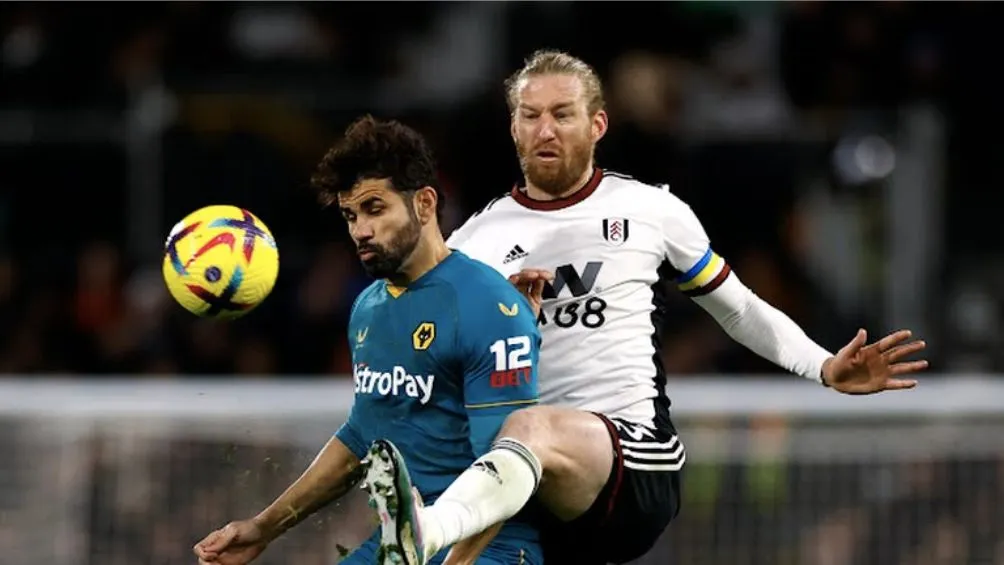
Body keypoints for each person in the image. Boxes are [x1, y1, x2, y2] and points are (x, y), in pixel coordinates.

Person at [365, 50, 930, 565]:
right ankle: (429, 541)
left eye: (562, 114)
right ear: (513, 127)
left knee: (525, 429)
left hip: (633, 461)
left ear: (597, 125)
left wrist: (823, 366)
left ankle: (426, 530)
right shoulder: (473, 244)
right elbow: (432, 371)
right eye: (530, 116)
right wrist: (504, 334)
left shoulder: (651, 210)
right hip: (533, 484)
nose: (545, 129)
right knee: (497, 451)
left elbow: (737, 309)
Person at [192, 116, 546, 565]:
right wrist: (263, 528)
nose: (360, 230)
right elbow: (361, 438)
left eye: (375, 209)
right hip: (404, 546)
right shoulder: (368, 308)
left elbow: (506, 473)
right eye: (350, 216)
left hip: (491, 546)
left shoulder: (488, 306)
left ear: (424, 204)